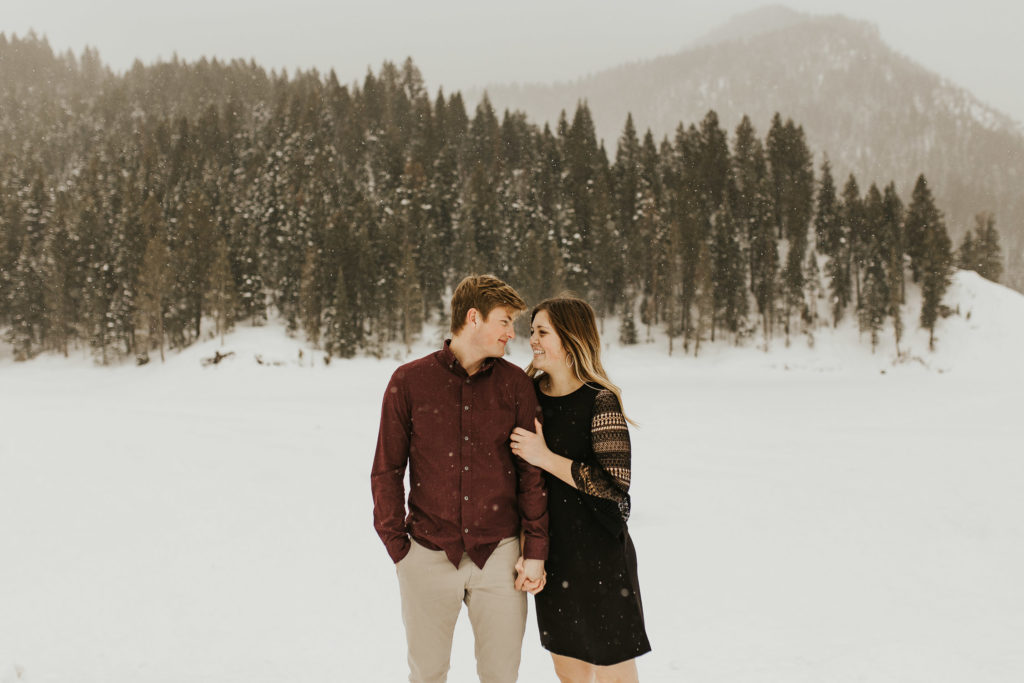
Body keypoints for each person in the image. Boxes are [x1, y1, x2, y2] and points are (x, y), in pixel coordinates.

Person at [371, 274, 549, 683]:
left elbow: (531, 474)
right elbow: (387, 469)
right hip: (427, 554)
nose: (511, 333)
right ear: (473, 318)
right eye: (504, 321)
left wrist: (535, 548)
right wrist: (399, 548)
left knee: (501, 676)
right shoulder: (408, 382)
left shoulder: (516, 385)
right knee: (428, 675)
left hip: (500, 557)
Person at [510, 296, 651, 683]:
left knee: (613, 673)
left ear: (570, 339)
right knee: (568, 673)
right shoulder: (528, 396)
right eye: (532, 331)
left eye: (542, 332)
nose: (532, 340)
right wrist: (527, 546)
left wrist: (545, 456)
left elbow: (615, 491)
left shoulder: (600, 400)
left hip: (600, 555)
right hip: (553, 554)